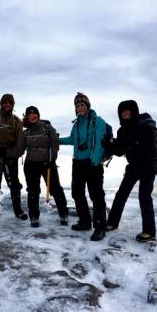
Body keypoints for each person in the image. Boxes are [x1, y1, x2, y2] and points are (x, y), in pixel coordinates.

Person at [104, 100, 157, 242]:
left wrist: (131, 144)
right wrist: (110, 144)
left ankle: (149, 232)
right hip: (134, 166)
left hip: (148, 165)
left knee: (144, 196)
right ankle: (112, 223)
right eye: (122, 111)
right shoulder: (123, 130)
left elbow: (149, 147)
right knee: (121, 194)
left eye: (127, 110)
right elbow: (120, 151)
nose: (125, 113)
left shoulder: (145, 126)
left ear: (133, 111)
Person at [58, 92, 109, 241]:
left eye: (82, 105)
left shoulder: (97, 121)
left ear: (87, 106)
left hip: (92, 163)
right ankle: (85, 221)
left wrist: (94, 161)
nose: (80, 108)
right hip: (78, 163)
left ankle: (100, 227)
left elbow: (100, 142)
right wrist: (56, 140)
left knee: (96, 195)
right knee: (77, 192)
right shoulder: (77, 123)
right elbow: (72, 140)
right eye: (77, 106)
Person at [15, 106, 69, 227]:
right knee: (33, 191)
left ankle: (63, 214)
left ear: (38, 115)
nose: (32, 116)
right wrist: (4, 154)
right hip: (30, 164)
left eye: (35, 114)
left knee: (55, 189)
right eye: (30, 114)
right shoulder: (26, 133)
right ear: (27, 117)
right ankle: (34, 217)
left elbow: (55, 145)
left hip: (48, 164)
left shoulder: (48, 128)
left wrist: (52, 160)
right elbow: (19, 150)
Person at [0, 93, 28, 221]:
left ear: (13, 105)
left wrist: (12, 154)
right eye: (5, 102)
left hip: (11, 158)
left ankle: (18, 211)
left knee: (14, 185)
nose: (7, 105)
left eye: (9, 103)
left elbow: (20, 143)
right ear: (1, 104)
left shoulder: (17, 121)